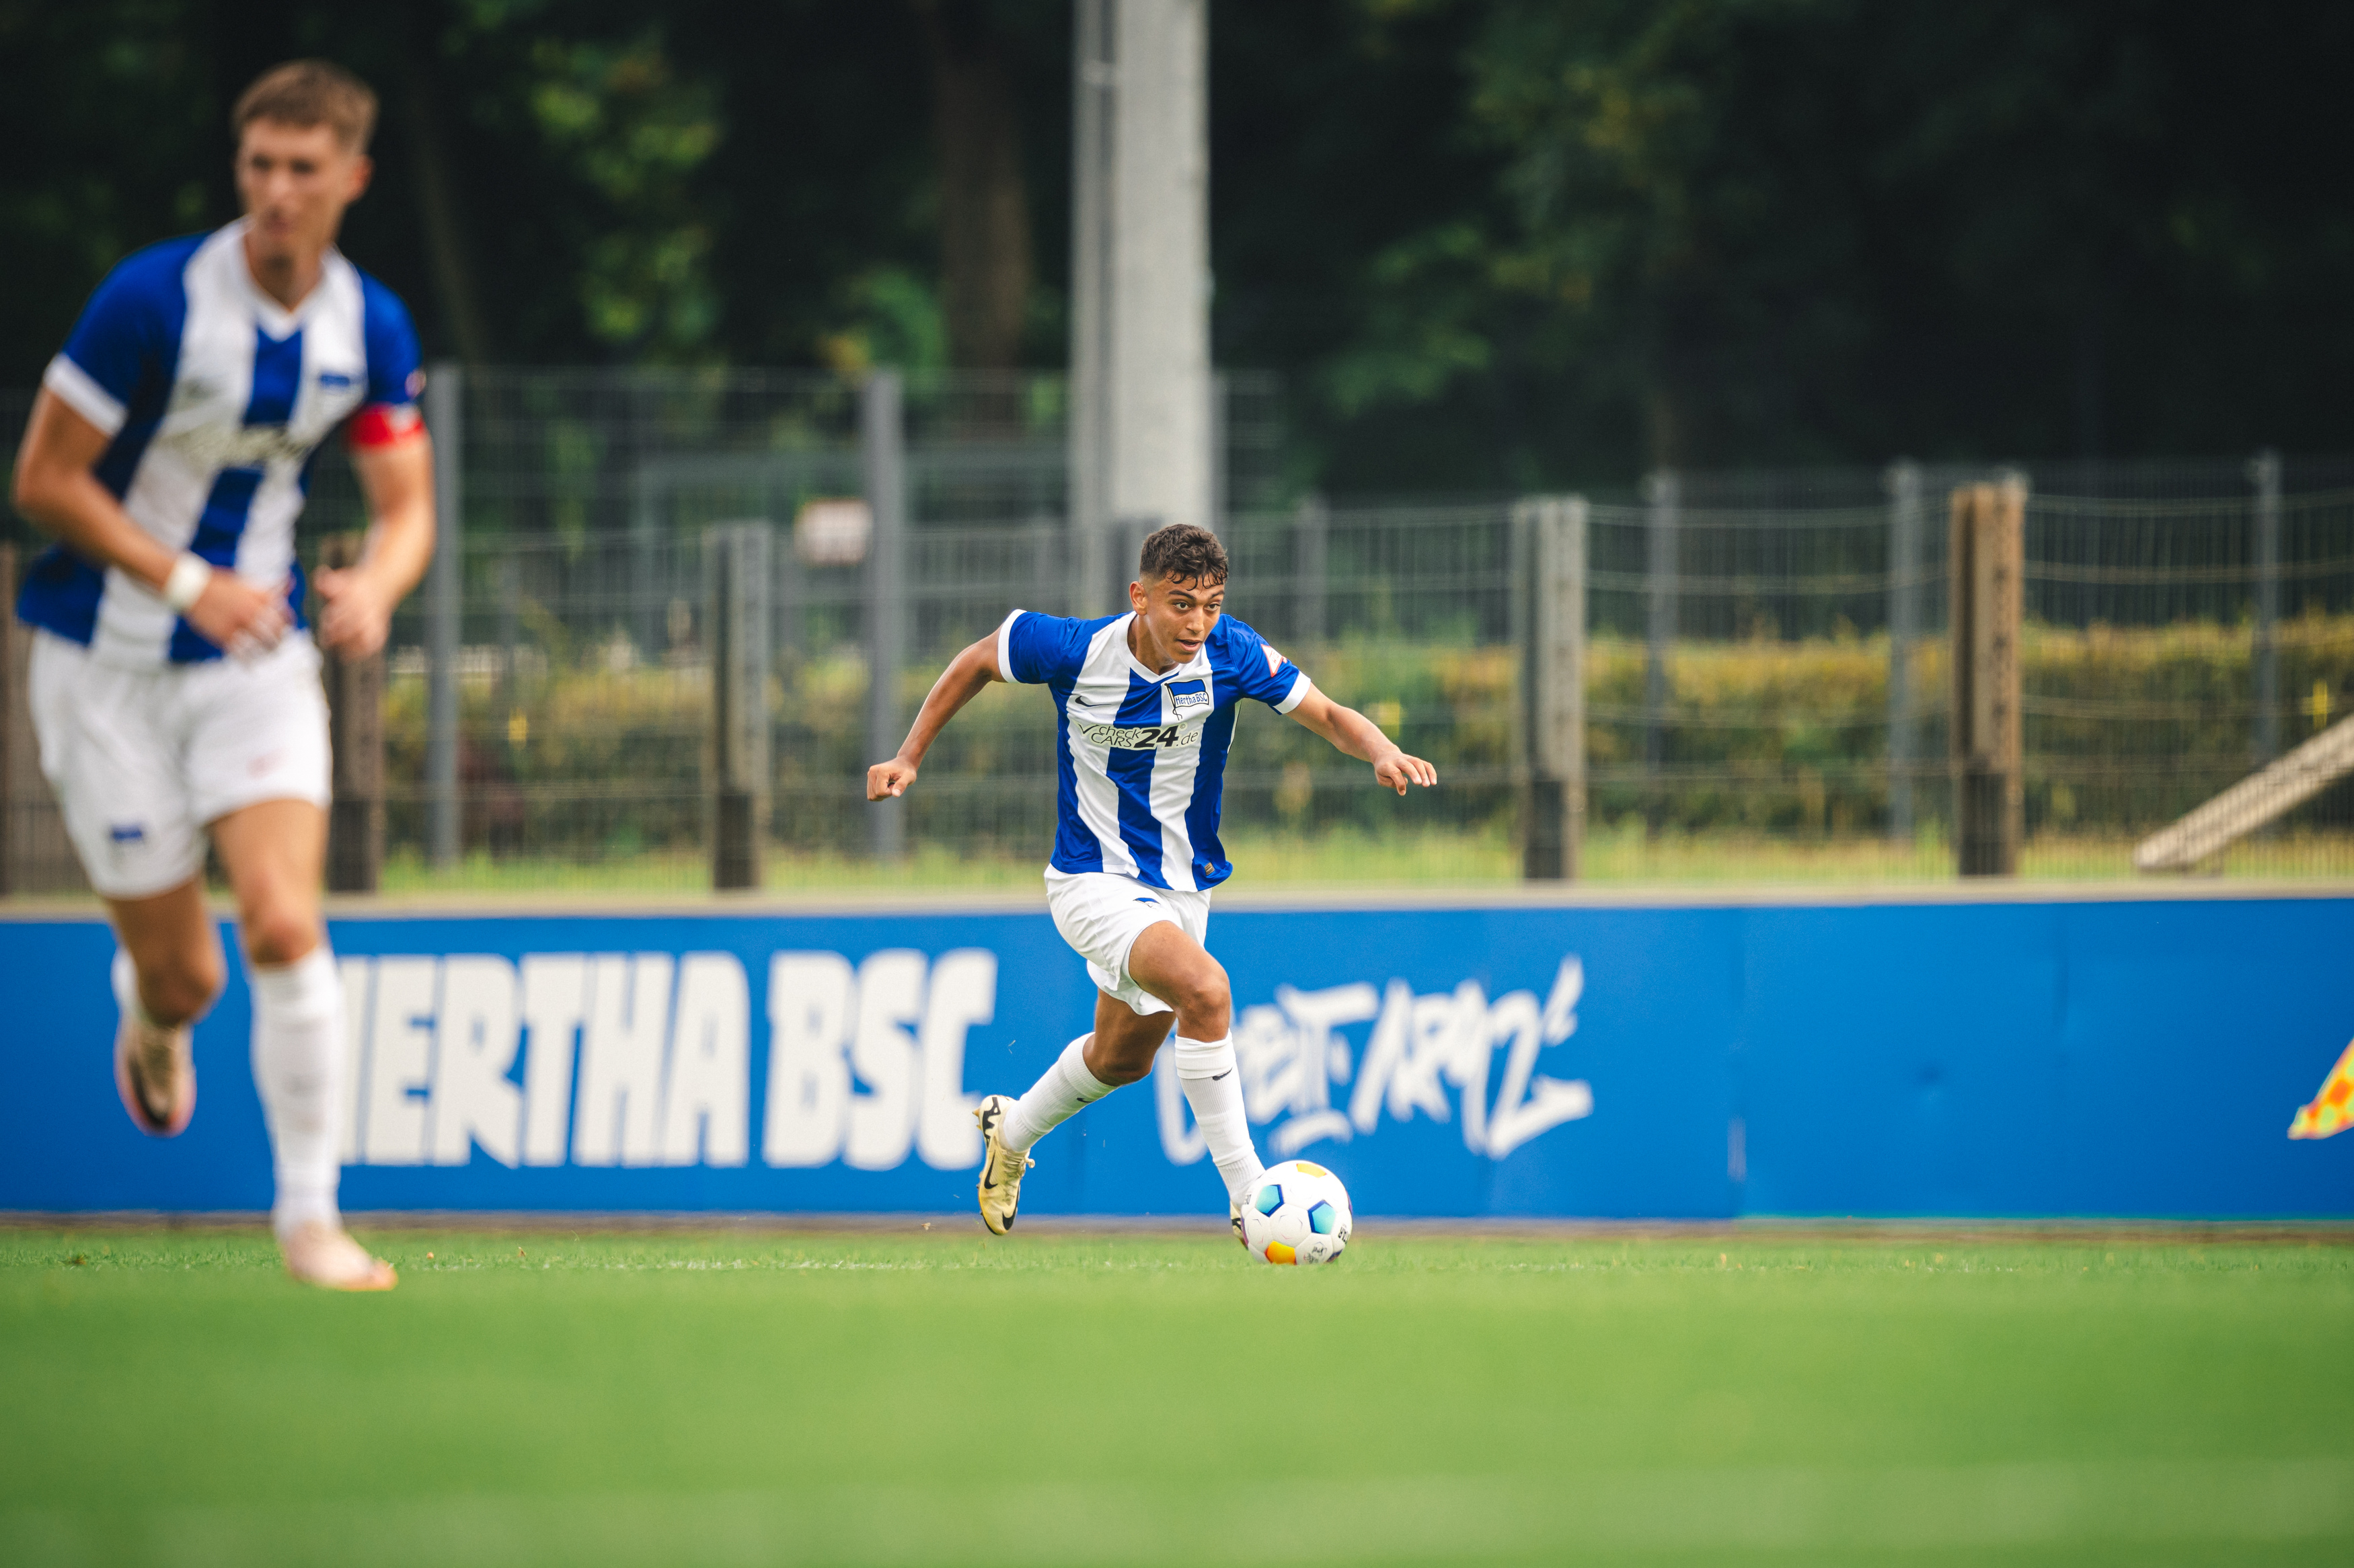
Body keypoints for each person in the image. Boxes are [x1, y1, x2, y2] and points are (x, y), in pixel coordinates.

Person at [8, 61, 435, 1290]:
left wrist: (380, 584)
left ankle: (311, 1220)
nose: (278, 192)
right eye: (259, 166)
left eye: (305, 169)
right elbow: (42, 480)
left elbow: (407, 508)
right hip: (102, 670)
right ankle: (151, 1013)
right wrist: (188, 581)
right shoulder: (149, 302)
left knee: (289, 923)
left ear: (351, 179)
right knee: (188, 974)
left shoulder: (372, 325)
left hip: (254, 662)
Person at [866, 523, 1437, 1237]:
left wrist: (1379, 750)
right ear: (1138, 597)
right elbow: (978, 660)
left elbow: (1322, 712)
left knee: (1122, 1058)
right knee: (1207, 990)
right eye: (1179, 603)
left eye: (1210, 604)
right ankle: (1248, 1196)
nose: (1197, 622)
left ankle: (1009, 1134)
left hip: (1178, 890)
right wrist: (908, 756)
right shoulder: (1073, 649)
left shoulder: (1232, 652)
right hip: (1089, 880)